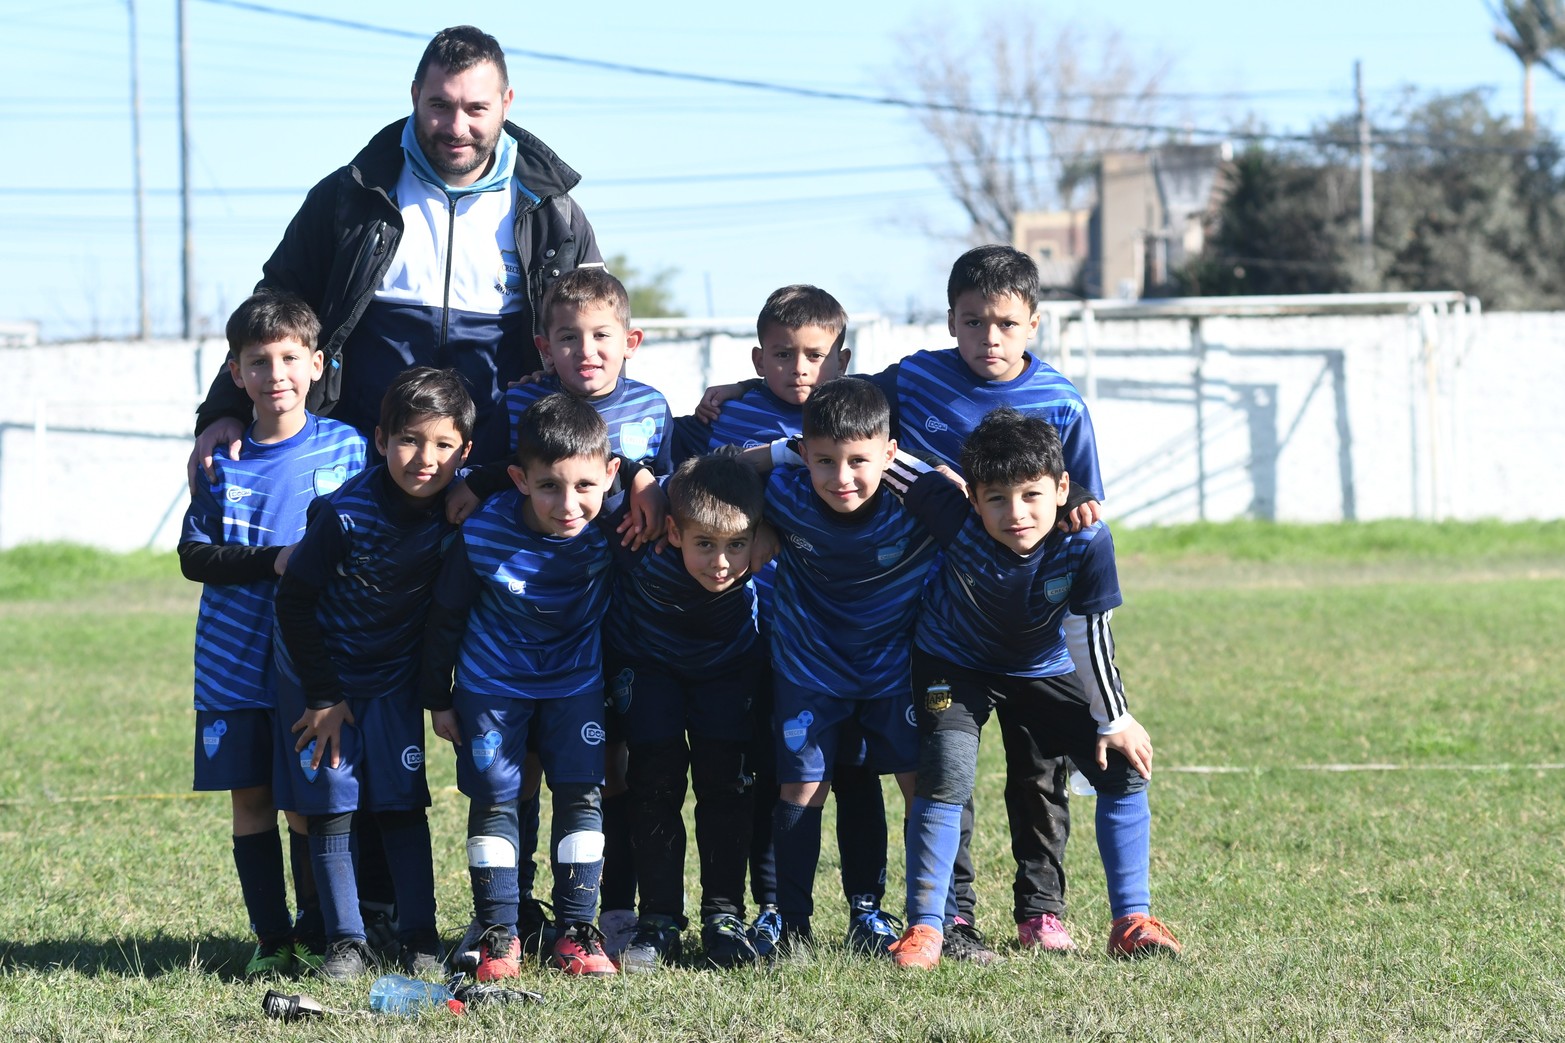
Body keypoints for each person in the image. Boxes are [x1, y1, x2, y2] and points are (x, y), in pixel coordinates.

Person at [700, 245, 1101, 953]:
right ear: (951, 320)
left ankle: (1006, 911)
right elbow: (828, 404)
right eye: (973, 321)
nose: (989, 337)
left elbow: (1079, 509)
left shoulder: (1044, 415)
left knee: (1017, 775)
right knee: (889, 780)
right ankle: (881, 919)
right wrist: (746, 388)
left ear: (1033, 324)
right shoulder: (905, 387)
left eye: (1005, 323)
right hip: (883, 648)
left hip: (999, 634)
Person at [190, 24, 602, 480]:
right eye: (440, 106)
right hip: (362, 465)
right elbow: (274, 308)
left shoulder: (554, 213)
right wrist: (223, 411)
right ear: (414, 96)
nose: (457, 127)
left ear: (506, 104)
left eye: (476, 109)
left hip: (497, 476)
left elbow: (598, 334)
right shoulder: (350, 197)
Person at [880, 406, 1180, 968]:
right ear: (971, 497)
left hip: (1044, 665)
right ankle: (925, 927)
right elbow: (890, 464)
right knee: (946, 772)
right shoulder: (954, 515)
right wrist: (788, 448)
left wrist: (1114, 719)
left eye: (1031, 496)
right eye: (996, 498)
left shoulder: (1087, 541)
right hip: (954, 662)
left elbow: (1088, 634)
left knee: (1121, 767)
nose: (1015, 513)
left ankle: (1132, 920)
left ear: (1062, 488)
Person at [451, 265, 670, 957]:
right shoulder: (516, 407)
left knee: (606, 775)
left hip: (611, 630)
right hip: (510, 636)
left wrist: (647, 478)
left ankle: (600, 917)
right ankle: (505, 920)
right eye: (568, 338)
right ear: (544, 347)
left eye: (601, 335)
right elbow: (491, 471)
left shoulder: (656, 408)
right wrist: (468, 488)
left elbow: (684, 480)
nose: (586, 350)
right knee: (509, 785)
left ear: (629, 339)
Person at [675, 285, 900, 957]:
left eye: (814, 355)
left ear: (841, 360)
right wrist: (748, 407)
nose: (799, 369)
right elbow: (695, 476)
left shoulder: (863, 417)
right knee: (774, 773)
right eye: (781, 356)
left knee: (854, 772)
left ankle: (865, 905)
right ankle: (774, 907)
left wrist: (779, 445)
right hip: (753, 632)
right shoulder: (730, 416)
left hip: (844, 640)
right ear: (758, 357)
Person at [420, 393, 644, 980]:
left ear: (610, 476)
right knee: (496, 798)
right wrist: (438, 697)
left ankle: (576, 932)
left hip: (575, 684)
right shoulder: (484, 531)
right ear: (519, 478)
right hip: (491, 687)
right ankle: (499, 933)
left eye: (584, 487)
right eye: (548, 486)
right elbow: (445, 616)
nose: (568, 504)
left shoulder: (615, 529)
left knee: (581, 794)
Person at [178, 291, 368, 977]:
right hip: (232, 661)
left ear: (317, 363)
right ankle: (270, 937)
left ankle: (319, 928)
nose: (275, 372)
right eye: (258, 361)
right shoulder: (219, 458)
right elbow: (193, 556)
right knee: (253, 797)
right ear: (235, 372)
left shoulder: (347, 448)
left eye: (290, 357)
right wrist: (275, 559)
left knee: (304, 801)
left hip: (311, 664)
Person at [272, 367, 475, 979]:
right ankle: (346, 941)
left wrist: (479, 481)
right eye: (410, 440)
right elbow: (293, 601)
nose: (425, 458)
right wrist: (324, 694)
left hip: (392, 683)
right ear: (381, 440)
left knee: (400, 805)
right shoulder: (344, 514)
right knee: (333, 806)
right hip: (322, 684)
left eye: (443, 445)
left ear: (464, 452)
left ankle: (418, 935)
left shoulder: (459, 508)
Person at [747, 378, 936, 953]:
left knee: (918, 788)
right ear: (802, 455)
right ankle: (788, 919)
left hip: (893, 674)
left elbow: (972, 503)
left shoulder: (918, 508)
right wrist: (779, 455)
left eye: (859, 460)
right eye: (825, 460)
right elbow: (711, 473)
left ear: (890, 455)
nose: (842, 477)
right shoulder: (785, 494)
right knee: (801, 789)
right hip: (808, 670)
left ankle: (922, 918)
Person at [606, 452, 770, 972]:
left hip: (729, 673)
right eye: (705, 545)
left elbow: (807, 460)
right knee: (654, 787)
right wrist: (637, 474)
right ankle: (658, 921)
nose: (721, 563)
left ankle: (724, 916)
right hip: (650, 673)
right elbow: (592, 464)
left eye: (735, 545)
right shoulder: (639, 540)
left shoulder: (764, 545)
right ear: (674, 533)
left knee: (726, 789)